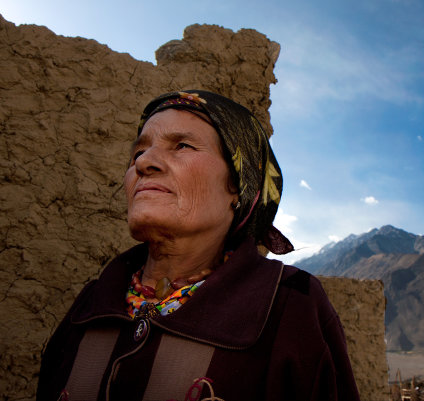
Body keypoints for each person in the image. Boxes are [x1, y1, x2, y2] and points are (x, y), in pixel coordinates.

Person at [36, 90, 360, 401]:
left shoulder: (292, 304)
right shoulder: (92, 304)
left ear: (237, 184)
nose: (144, 162)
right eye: (138, 152)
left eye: (182, 146)